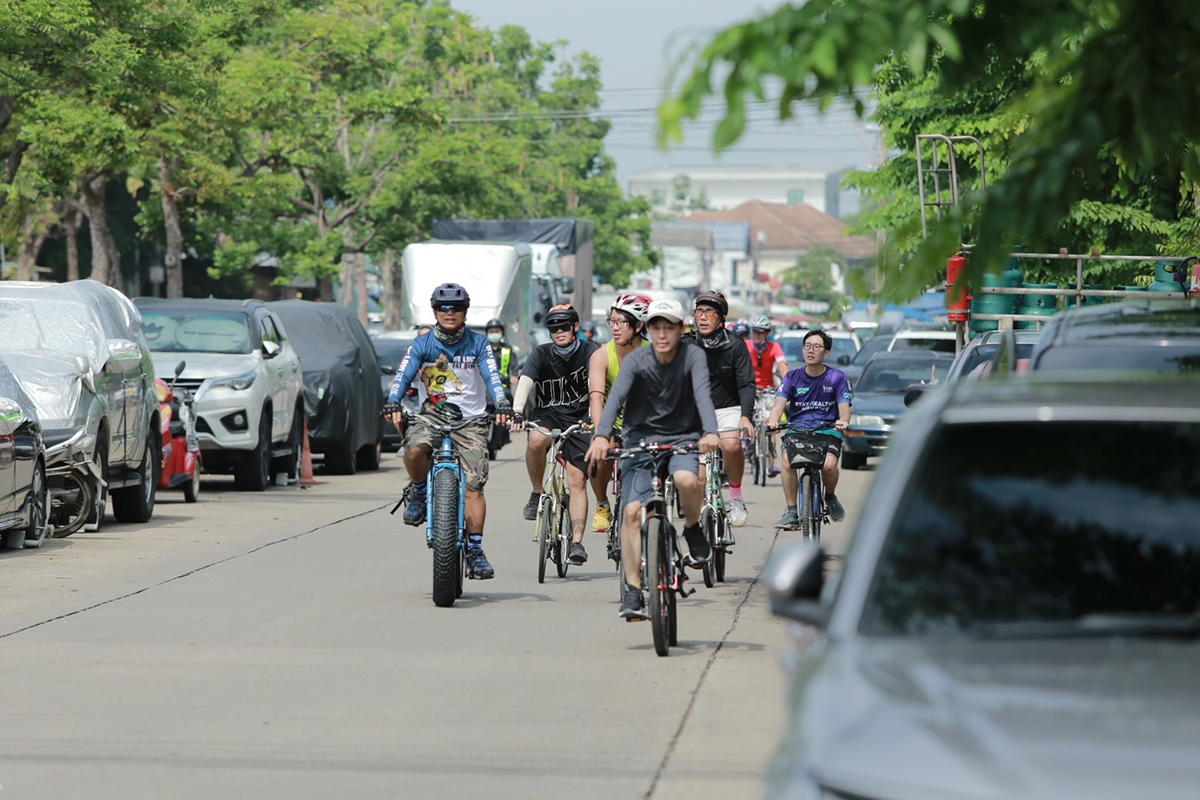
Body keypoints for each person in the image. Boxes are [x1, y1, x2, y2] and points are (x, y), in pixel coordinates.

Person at [586, 299, 720, 620]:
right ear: (647, 329)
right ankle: (633, 590)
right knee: (632, 512)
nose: (662, 334)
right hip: (639, 440)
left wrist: (710, 432)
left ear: (681, 329)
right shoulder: (637, 360)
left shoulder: (693, 356)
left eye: (669, 328)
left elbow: (702, 395)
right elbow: (615, 398)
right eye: (656, 327)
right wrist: (602, 435)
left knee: (687, 480)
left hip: (682, 437)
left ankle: (692, 529)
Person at [387, 283, 511, 580]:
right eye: (443, 308)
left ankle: (476, 550)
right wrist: (393, 400)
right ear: (434, 312)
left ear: (465, 312)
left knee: (474, 487)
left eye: (456, 307)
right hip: (430, 417)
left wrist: (503, 403)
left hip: (470, 422)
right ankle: (419, 491)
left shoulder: (479, 344)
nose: (450, 312)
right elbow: (404, 374)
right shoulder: (423, 344)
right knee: (413, 451)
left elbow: (492, 377)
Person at [513, 304, 599, 565]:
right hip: (548, 414)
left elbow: (597, 385)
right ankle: (537, 492)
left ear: (575, 327)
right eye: (553, 327)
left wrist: (593, 415)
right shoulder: (541, 353)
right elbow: (526, 380)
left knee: (577, 480)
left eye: (564, 326)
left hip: (579, 418)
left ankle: (577, 543)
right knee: (536, 439)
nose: (559, 331)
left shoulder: (590, 351)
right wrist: (517, 411)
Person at [767, 329, 852, 529]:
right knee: (787, 462)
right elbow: (778, 406)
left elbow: (844, 410)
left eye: (816, 346)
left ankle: (829, 496)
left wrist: (843, 421)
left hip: (828, 430)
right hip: (797, 430)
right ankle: (791, 511)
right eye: (807, 346)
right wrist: (772, 421)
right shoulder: (792, 378)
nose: (810, 350)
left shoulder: (837, 378)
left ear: (826, 352)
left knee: (829, 466)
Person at [684, 291, 756, 527]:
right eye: (699, 311)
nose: (703, 317)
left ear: (722, 318)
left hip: (728, 408)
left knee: (731, 444)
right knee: (699, 478)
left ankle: (735, 496)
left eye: (710, 312)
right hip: (695, 412)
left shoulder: (735, 345)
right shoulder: (686, 344)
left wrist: (745, 417)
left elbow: (746, 384)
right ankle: (701, 520)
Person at [586, 292, 652, 533]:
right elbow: (596, 397)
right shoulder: (601, 355)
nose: (614, 327)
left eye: (621, 322)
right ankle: (602, 503)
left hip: (644, 425)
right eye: (611, 321)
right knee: (599, 456)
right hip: (611, 423)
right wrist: (600, 434)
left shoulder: (653, 354)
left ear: (638, 326)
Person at [746, 315, 788, 477]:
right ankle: (747, 445)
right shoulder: (746, 345)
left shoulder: (774, 347)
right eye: (755, 331)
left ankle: (770, 465)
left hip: (768, 389)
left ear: (767, 334)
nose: (757, 335)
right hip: (749, 389)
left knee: (771, 423)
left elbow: (782, 366)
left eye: (761, 332)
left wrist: (787, 384)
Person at [484, 318, 517, 455]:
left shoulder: (508, 350)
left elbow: (514, 367)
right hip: (485, 389)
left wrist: (515, 376)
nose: (494, 334)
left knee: (505, 414)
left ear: (502, 332)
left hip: (503, 389)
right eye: (491, 331)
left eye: (496, 331)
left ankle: (498, 440)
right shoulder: (482, 349)